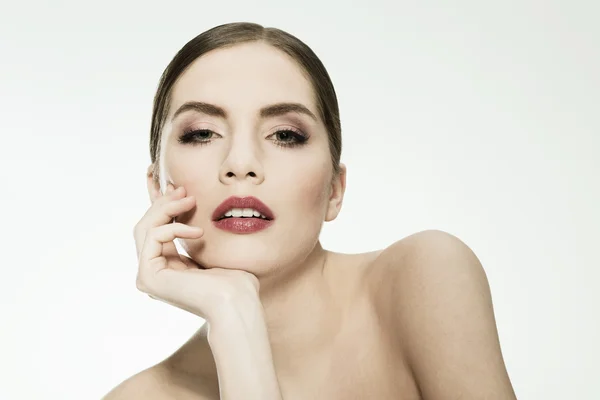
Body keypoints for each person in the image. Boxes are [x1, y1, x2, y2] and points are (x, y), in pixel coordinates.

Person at [103, 22, 517, 399]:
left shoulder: (425, 277)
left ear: (334, 190)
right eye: (202, 134)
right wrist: (234, 317)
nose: (241, 162)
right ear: (158, 188)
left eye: (284, 134)